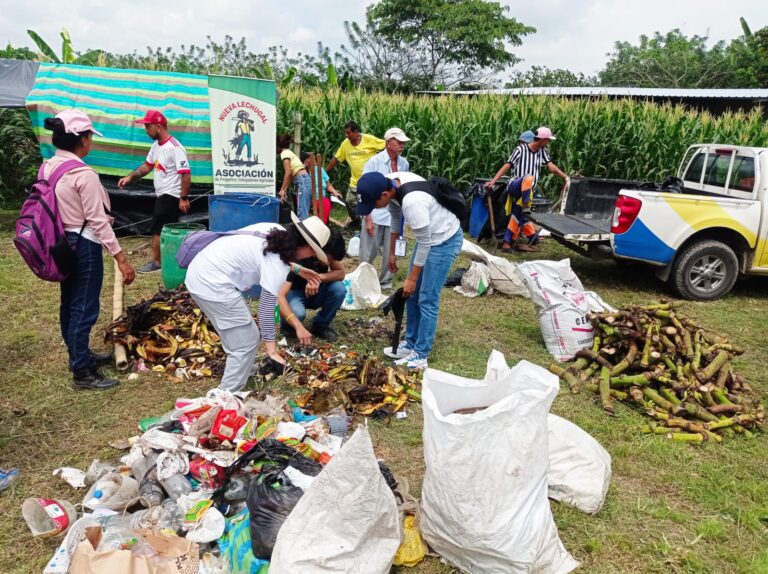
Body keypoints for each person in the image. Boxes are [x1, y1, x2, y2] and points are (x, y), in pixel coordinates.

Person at [43, 110, 136, 390]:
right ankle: (82, 372)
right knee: (84, 307)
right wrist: (121, 258)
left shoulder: (48, 167)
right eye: (89, 137)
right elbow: (96, 221)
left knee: (69, 302)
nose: (90, 142)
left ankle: (79, 355)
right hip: (84, 245)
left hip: (60, 243)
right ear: (82, 140)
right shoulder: (84, 174)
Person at [184, 215, 330, 393]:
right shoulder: (276, 265)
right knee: (244, 342)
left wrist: (298, 269)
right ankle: (227, 394)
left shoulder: (276, 232)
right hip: (211, 283)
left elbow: (270, 255)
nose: (313, 255)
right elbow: (266, 309)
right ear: (306, 247)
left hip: (203, 269)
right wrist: (272, 351)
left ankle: (243, 370)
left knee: (246, 334)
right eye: (313, 251)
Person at [356, 171, 463, 370]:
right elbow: (396, 216)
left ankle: (421, 355)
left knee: (427, 298)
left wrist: (412, 279)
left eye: (373, 204)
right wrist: (392, 253)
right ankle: (411, 343)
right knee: (412, 296)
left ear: (384, 195)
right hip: (429, 240)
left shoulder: (413, 202)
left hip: (443, 241)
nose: (373, 209)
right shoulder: (391, 181)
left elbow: (424, 242)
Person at [118, 110, 191, 274]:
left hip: (170, 195)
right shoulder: (156, 146)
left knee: (158, 229)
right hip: (162, 195)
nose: (145, 129)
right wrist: (130, 178)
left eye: (147, 126)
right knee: (163, 228)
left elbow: (185, 173)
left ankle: (157, 262)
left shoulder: (175, 148)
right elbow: (146, 167)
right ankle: (168, 260)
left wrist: (183, 198)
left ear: (158, 126)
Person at [485, 126, 567, 244]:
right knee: (528, 177)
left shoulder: (542, 152)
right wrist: (493, 181)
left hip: (527, 191)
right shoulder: (520, 150)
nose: (548, 143)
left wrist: (565, 177)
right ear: (542, 139)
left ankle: (511, 242)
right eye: (547, 140)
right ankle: (526, 206)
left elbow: (551, 167)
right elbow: (507, 165)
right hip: (515, 185)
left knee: (518, 214)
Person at [360, 127, 411, 290]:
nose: (402, 145)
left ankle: (386, 282)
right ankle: (362, 282)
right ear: (388, 142)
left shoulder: (404, 163)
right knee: (368, 251)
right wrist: (367, 217)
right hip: (375, 213)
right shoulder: (374, 162)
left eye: (403, 142)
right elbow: (364, 190)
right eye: (398, 141)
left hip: (394, 213)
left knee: (391, 250)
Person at [279, 230, 347, 343]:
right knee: (298, 313)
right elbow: (279, 297)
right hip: (294, 291)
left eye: (331, 260)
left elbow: (341, 273)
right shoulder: (299, 252)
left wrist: (317, 278)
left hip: (316, 291)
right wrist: (278, 318)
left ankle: (320, 325)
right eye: (328, 259)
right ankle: (287, 325)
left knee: (339, 289)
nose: (328, 262)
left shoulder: (328, 251)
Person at [325, 121, 385, 224]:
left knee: (368, 203)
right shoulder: (345, 144)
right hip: (355, 181)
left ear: (356, 132)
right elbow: (336, 159)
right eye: (345, 133)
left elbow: (386, 146)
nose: (346, 135)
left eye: (348, 133)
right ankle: (356, 221)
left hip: (369, 182)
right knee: (349, 202)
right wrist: (324, 172)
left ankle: (368, 223)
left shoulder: (369, 139)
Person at [276, 134, 312, 220]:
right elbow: (291, 175)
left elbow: (288, 173)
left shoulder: (284, 153)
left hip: (302, 180)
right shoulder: (289, 152)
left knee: (302, 214)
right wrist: (284, 189)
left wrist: (282, 190)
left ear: (278, 146)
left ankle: (303, 233)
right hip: (303, 179)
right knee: (302, 211)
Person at [300, 151, 341, 224]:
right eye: (311, 158)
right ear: (306, 161)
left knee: (325, 204)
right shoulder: (303, 172)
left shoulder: (320, 170)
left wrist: (334, 191)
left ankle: (320, 226)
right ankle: (316, 226)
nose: (314, 159)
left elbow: (328, 185)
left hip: (321, 198)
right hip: (310, 198)